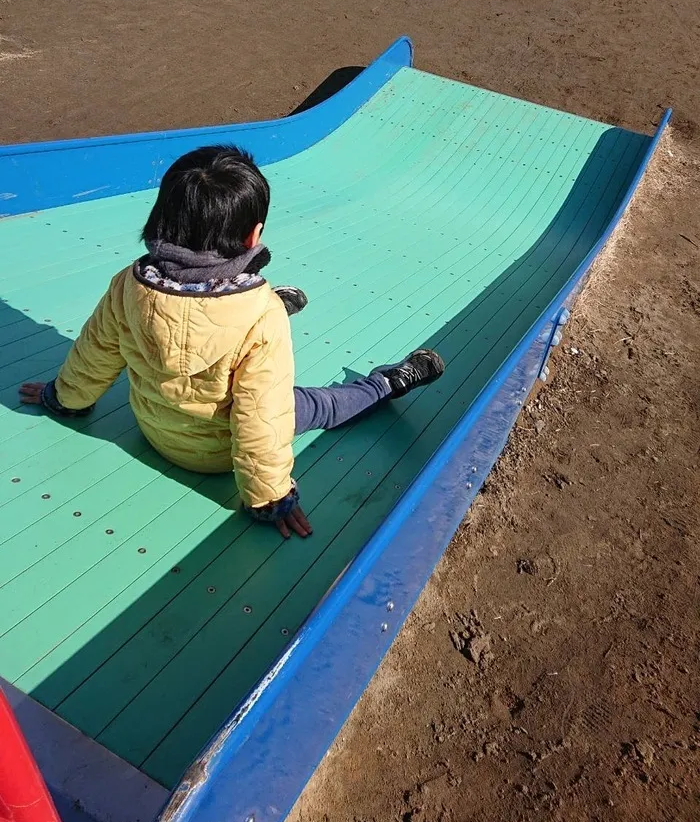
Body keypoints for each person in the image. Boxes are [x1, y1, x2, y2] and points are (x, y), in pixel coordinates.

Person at [19, 146, 444, 541]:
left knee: (220, 330)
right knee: (318, 405)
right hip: (219, 452)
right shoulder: (262, 316)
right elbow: (262, 417)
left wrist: (64, 399)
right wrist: (270, 498)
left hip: (156, 430)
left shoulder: (128, 287)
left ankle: (226, 310)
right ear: (253, 235)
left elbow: (95, 351)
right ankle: (384, 385)